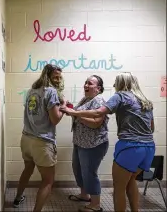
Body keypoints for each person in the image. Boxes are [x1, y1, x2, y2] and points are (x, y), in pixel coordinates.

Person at [60, 72, 155, 212]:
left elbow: (99, 113)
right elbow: (151, 128)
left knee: (119, 188)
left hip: (130, 147)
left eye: (116, 82)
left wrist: (73, 113)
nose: (114, 85)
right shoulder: (145, 101)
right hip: (148, 148)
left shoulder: (120, 96)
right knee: (130, 183)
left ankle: (95, 204)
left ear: (122, 83)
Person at [13, 64, 66, 211]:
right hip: (42, 142)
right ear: (47, 75)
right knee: (48, 181)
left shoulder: (31, 91)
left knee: (27, 170)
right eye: (55, 76)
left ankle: (17, 198)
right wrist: (63, 107)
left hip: (26, 139)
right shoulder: (51, 92)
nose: (58, 79)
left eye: (59, 77)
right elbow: (55, 119)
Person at [67, 75, 109, 212]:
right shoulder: (86, 99)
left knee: (90, 173)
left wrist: (75, 114)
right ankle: (85, 195)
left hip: (93, 145)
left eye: (89, 83)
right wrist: (70, 108)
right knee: (78, 169)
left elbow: (96, 123)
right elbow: (78, 112)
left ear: (98, 88)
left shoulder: (100, 101)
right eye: (85, 82)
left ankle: (95, 204)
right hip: (80, 142)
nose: (85, 85)